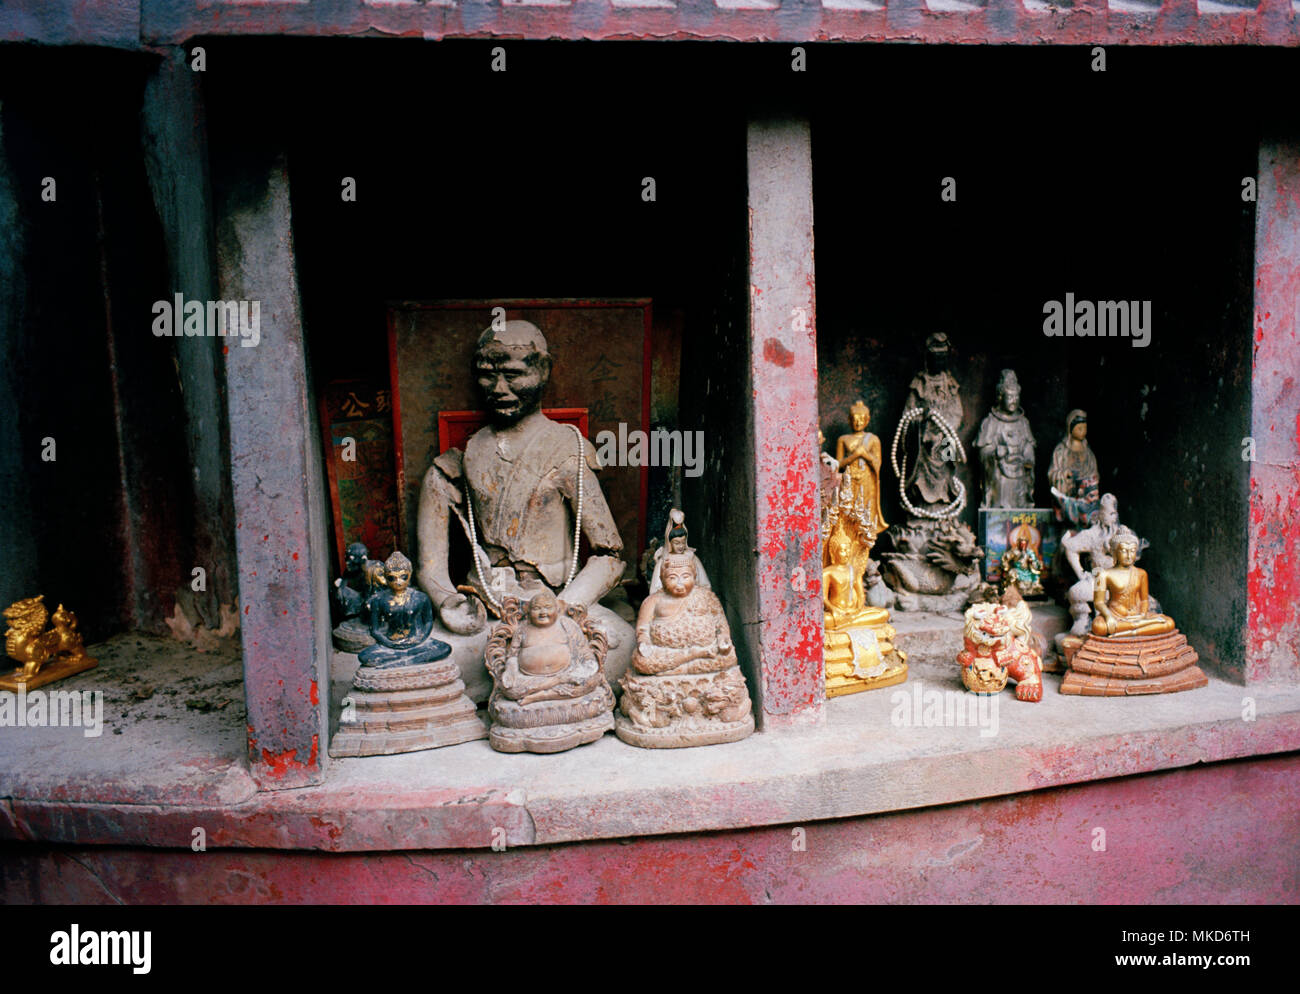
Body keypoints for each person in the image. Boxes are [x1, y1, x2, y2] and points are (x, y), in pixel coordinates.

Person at [976, 369, 1035, 508]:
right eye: (1010, 397)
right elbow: (983, 453)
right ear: (1000, 397)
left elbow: (1030, 445)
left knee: (1021, 504)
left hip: (1020, 475)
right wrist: (995, 452)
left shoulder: (1023, 423)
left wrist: (1028, 451)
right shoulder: (991, 422)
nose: (1014, 401)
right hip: (1000, 477)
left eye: (1016, 396)